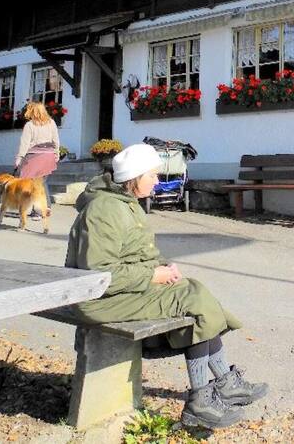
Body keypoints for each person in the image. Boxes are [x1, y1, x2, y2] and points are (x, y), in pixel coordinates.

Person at [65, 143, 268, 429]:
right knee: (193, 301)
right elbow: (99, 273)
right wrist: (151, 276)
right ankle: (202, 399)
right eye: (153, 176)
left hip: (121, 291)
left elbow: (138, 253)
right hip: (99, 300)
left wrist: (164, 267)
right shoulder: (104, 210)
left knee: (192, 291)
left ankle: (222, 385)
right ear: (134, 177)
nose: (158, 182)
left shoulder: (125, 203)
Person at [15, 102, 59, 218]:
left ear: (33, 111)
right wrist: (56, 154)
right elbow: (56, 141)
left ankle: (38, 210)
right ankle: (46, 206)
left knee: (33, 183)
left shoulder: (30, 125)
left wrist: (19, 158)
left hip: (35, 156)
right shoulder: (51, 123)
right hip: (49, 155)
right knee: (42, 182)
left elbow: (24, 144)